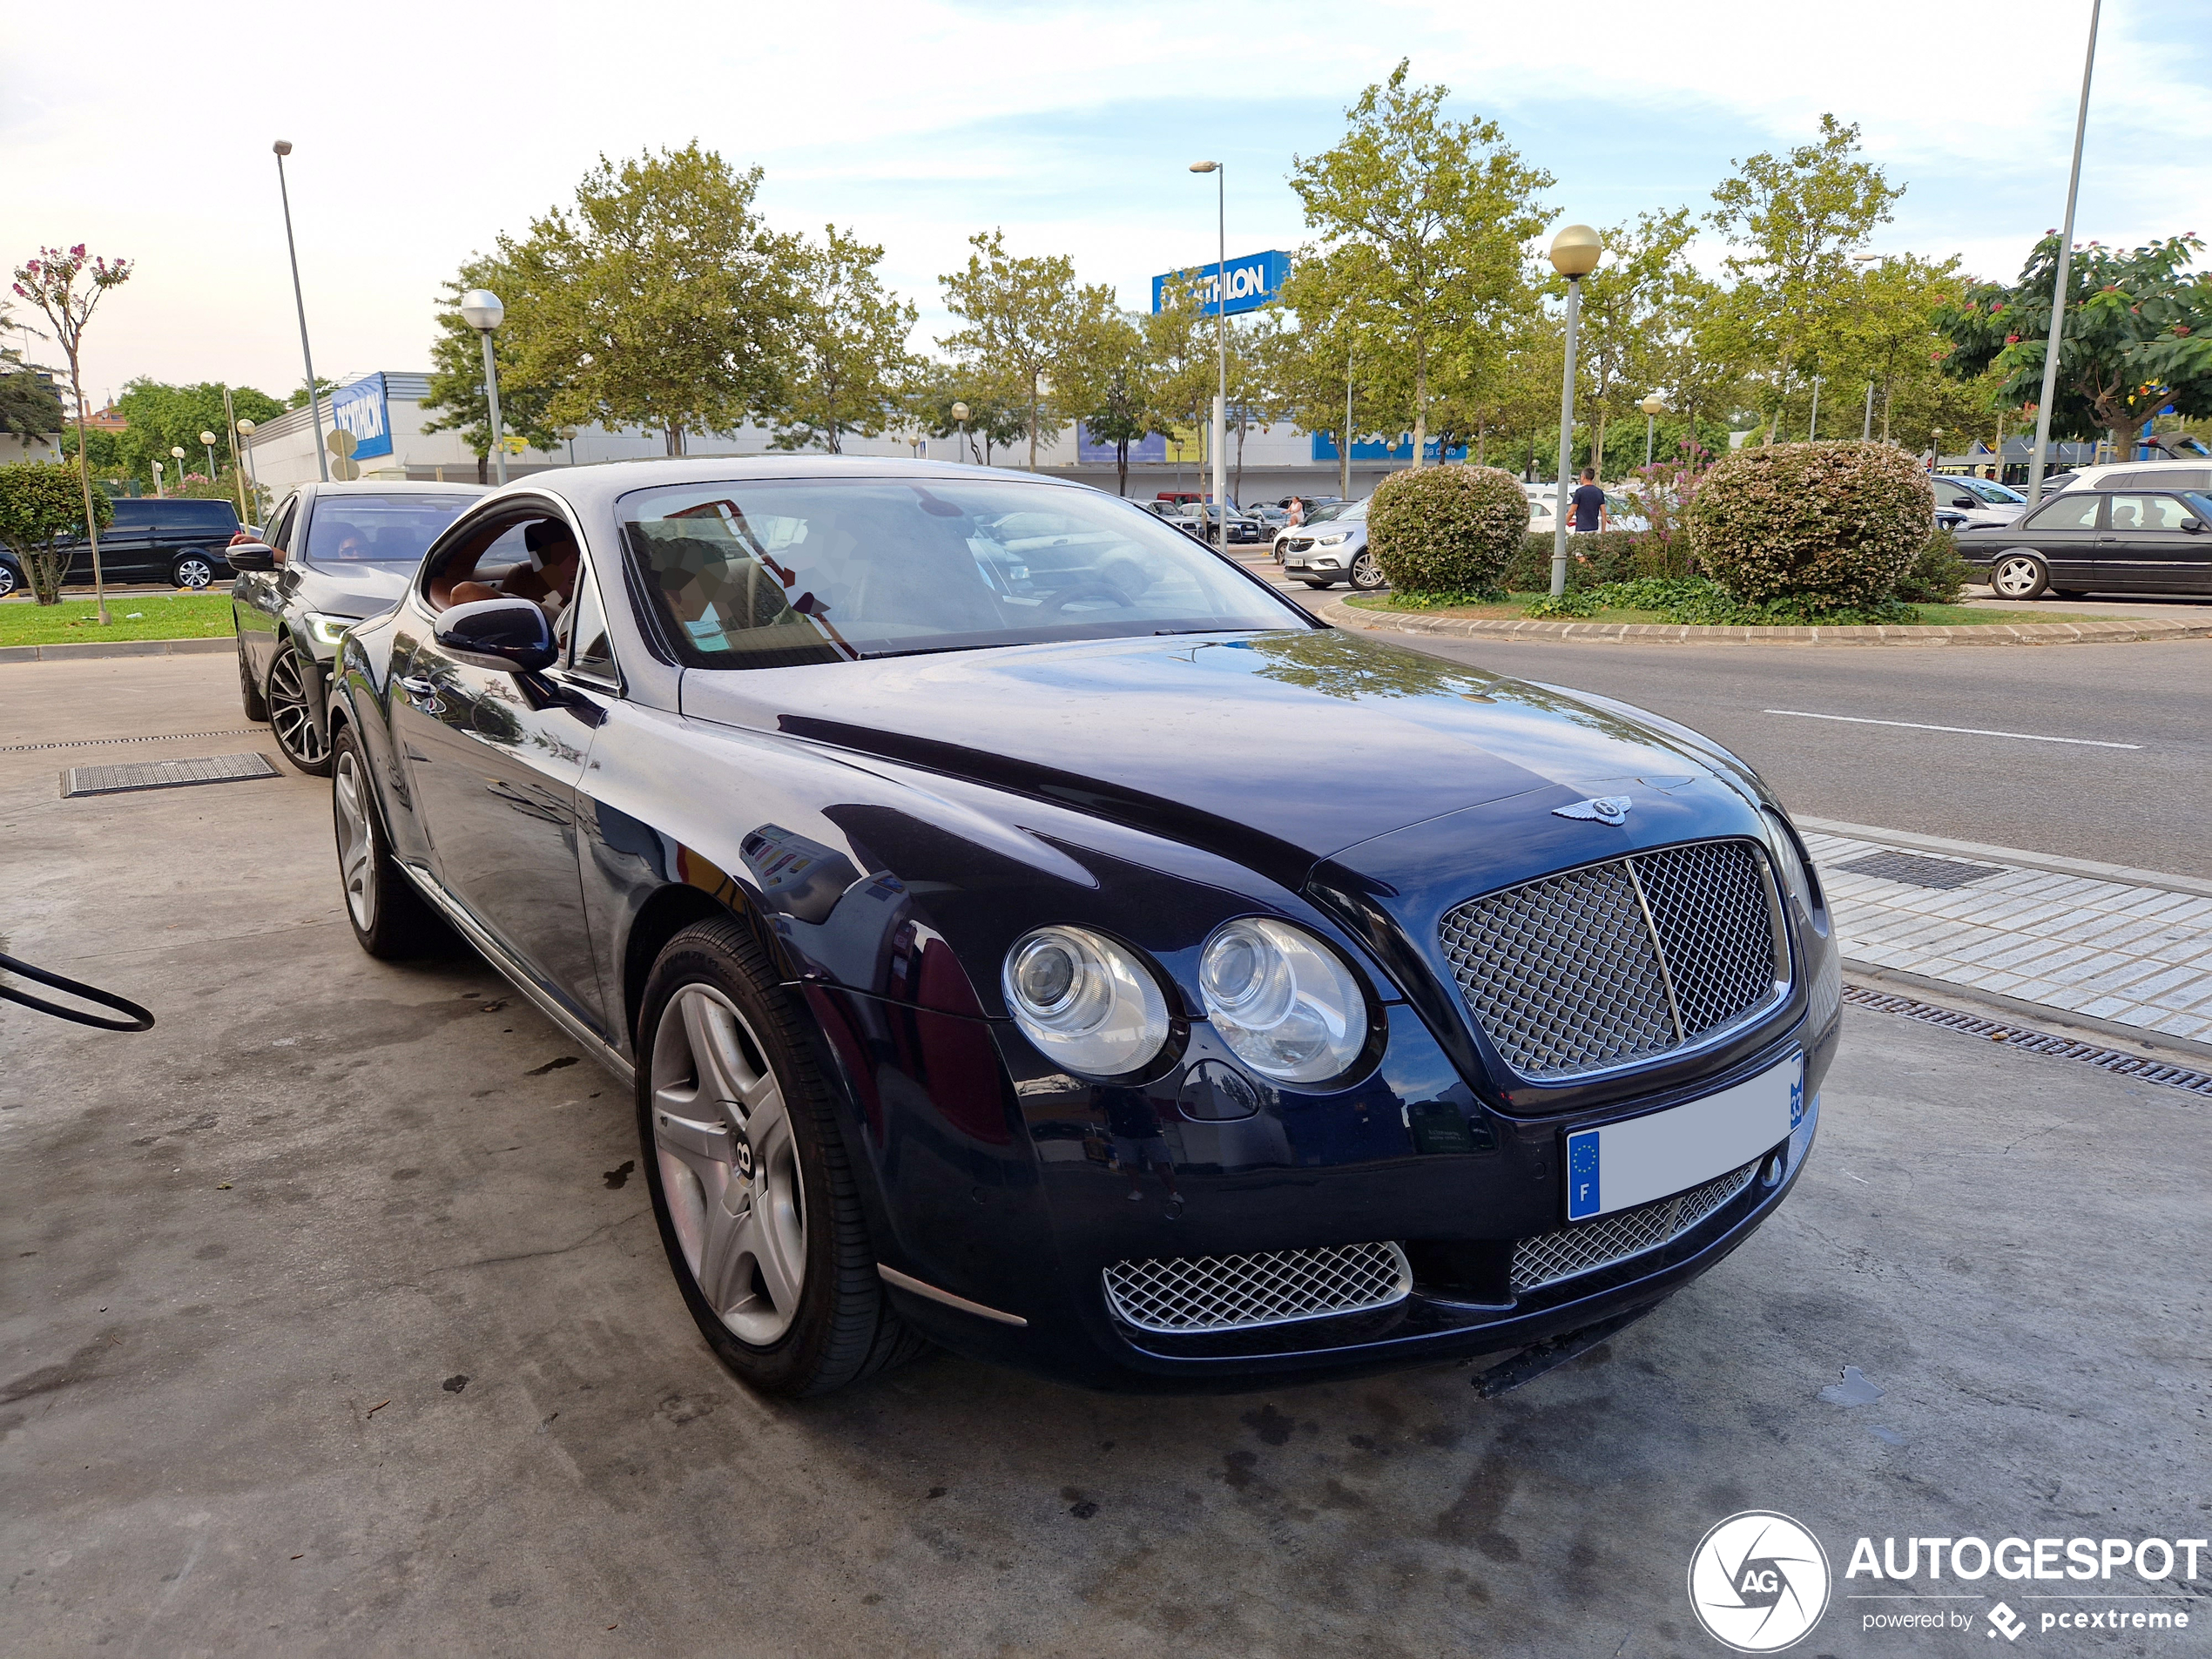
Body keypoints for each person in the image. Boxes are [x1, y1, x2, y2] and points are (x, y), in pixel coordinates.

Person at [436, 521, 580, 619]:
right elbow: (464, 592)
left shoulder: (599, 604)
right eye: (561, 557)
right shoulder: (542, 615)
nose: (575, 565)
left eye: (581, 556)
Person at [1570, 468, 1609, 534]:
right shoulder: (1599, 492)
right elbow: (1603, 512)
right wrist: (1603, 530)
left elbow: (1571, 512)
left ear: (1583, 477)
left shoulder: (1579, 492)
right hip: (1594, 529)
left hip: (1581, 529)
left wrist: (1563, 525)